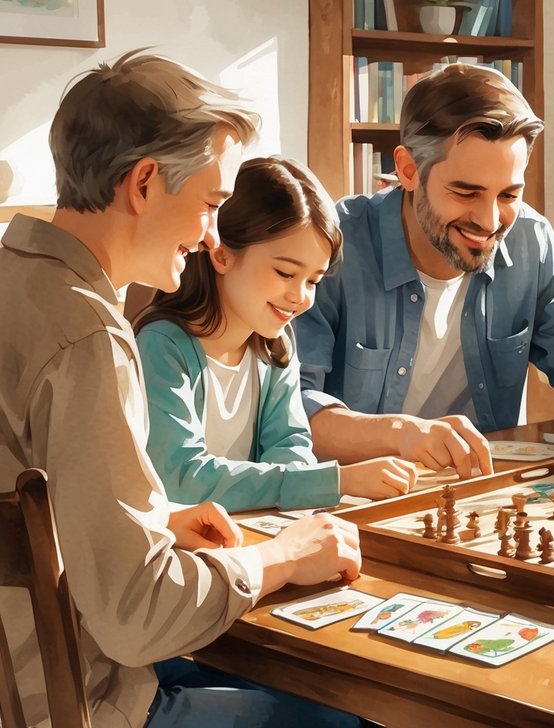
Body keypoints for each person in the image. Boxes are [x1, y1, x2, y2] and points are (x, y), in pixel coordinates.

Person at [0, 50, 366, 727]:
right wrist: (278, 557)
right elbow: (136, 618)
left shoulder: (13, 280)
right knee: (360, 716)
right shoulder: (88, 337)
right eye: (209, 204)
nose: (206, 236)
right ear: (143, 184)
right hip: (75, 703)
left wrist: (155, 524)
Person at [295, 63, 554, 468]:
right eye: (466, 192)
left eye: (508, 195)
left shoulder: (530, 240)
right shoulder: (332, 245)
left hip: (479, 497)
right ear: (408, 169)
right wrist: (401, 434)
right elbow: (291, 410)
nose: (488, 221)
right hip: (356, 500)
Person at [135, 157, 418, 512]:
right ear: (221, 254)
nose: (300, 297)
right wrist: (335, 481)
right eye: (286, 273)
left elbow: (292, 447)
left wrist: (297, 482)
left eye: (313, 280)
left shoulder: (275, 346)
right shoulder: (161, 347)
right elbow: (181, 478)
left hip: (256, 538)